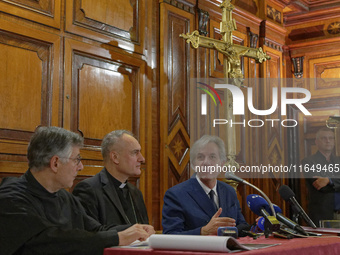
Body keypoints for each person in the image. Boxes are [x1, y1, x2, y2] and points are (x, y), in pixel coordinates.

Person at [0, 126, 154, 255]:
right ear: (55, 163)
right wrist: (117, 237)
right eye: (77, 160)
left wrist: (134, 230)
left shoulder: (64, 197)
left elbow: (95, 229)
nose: (80, 167)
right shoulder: (10, 198)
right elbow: (48, 242)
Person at [162, 135, 249, 235]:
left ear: (221, 163)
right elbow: (171, 236)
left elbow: (241, 226)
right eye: (200, 157)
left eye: (212, 157)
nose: (206, 163)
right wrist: (203, 231)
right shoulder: (176, 195)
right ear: (193, 164)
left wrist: (259, 226)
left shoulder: (229, 191)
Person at [73, 130, 149, 228]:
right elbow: (90, 234)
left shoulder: (136, 192)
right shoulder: (89, 189)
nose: (142, 158)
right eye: (135, 152)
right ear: (115, 157)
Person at [302, 127, 340, 227]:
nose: (328, 141)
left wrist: (329, 180)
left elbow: (326, 183)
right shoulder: (308, 162)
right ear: (316, 142)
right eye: (324, 138)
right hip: (322, 215)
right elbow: (320, 186)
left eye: (331, 138)